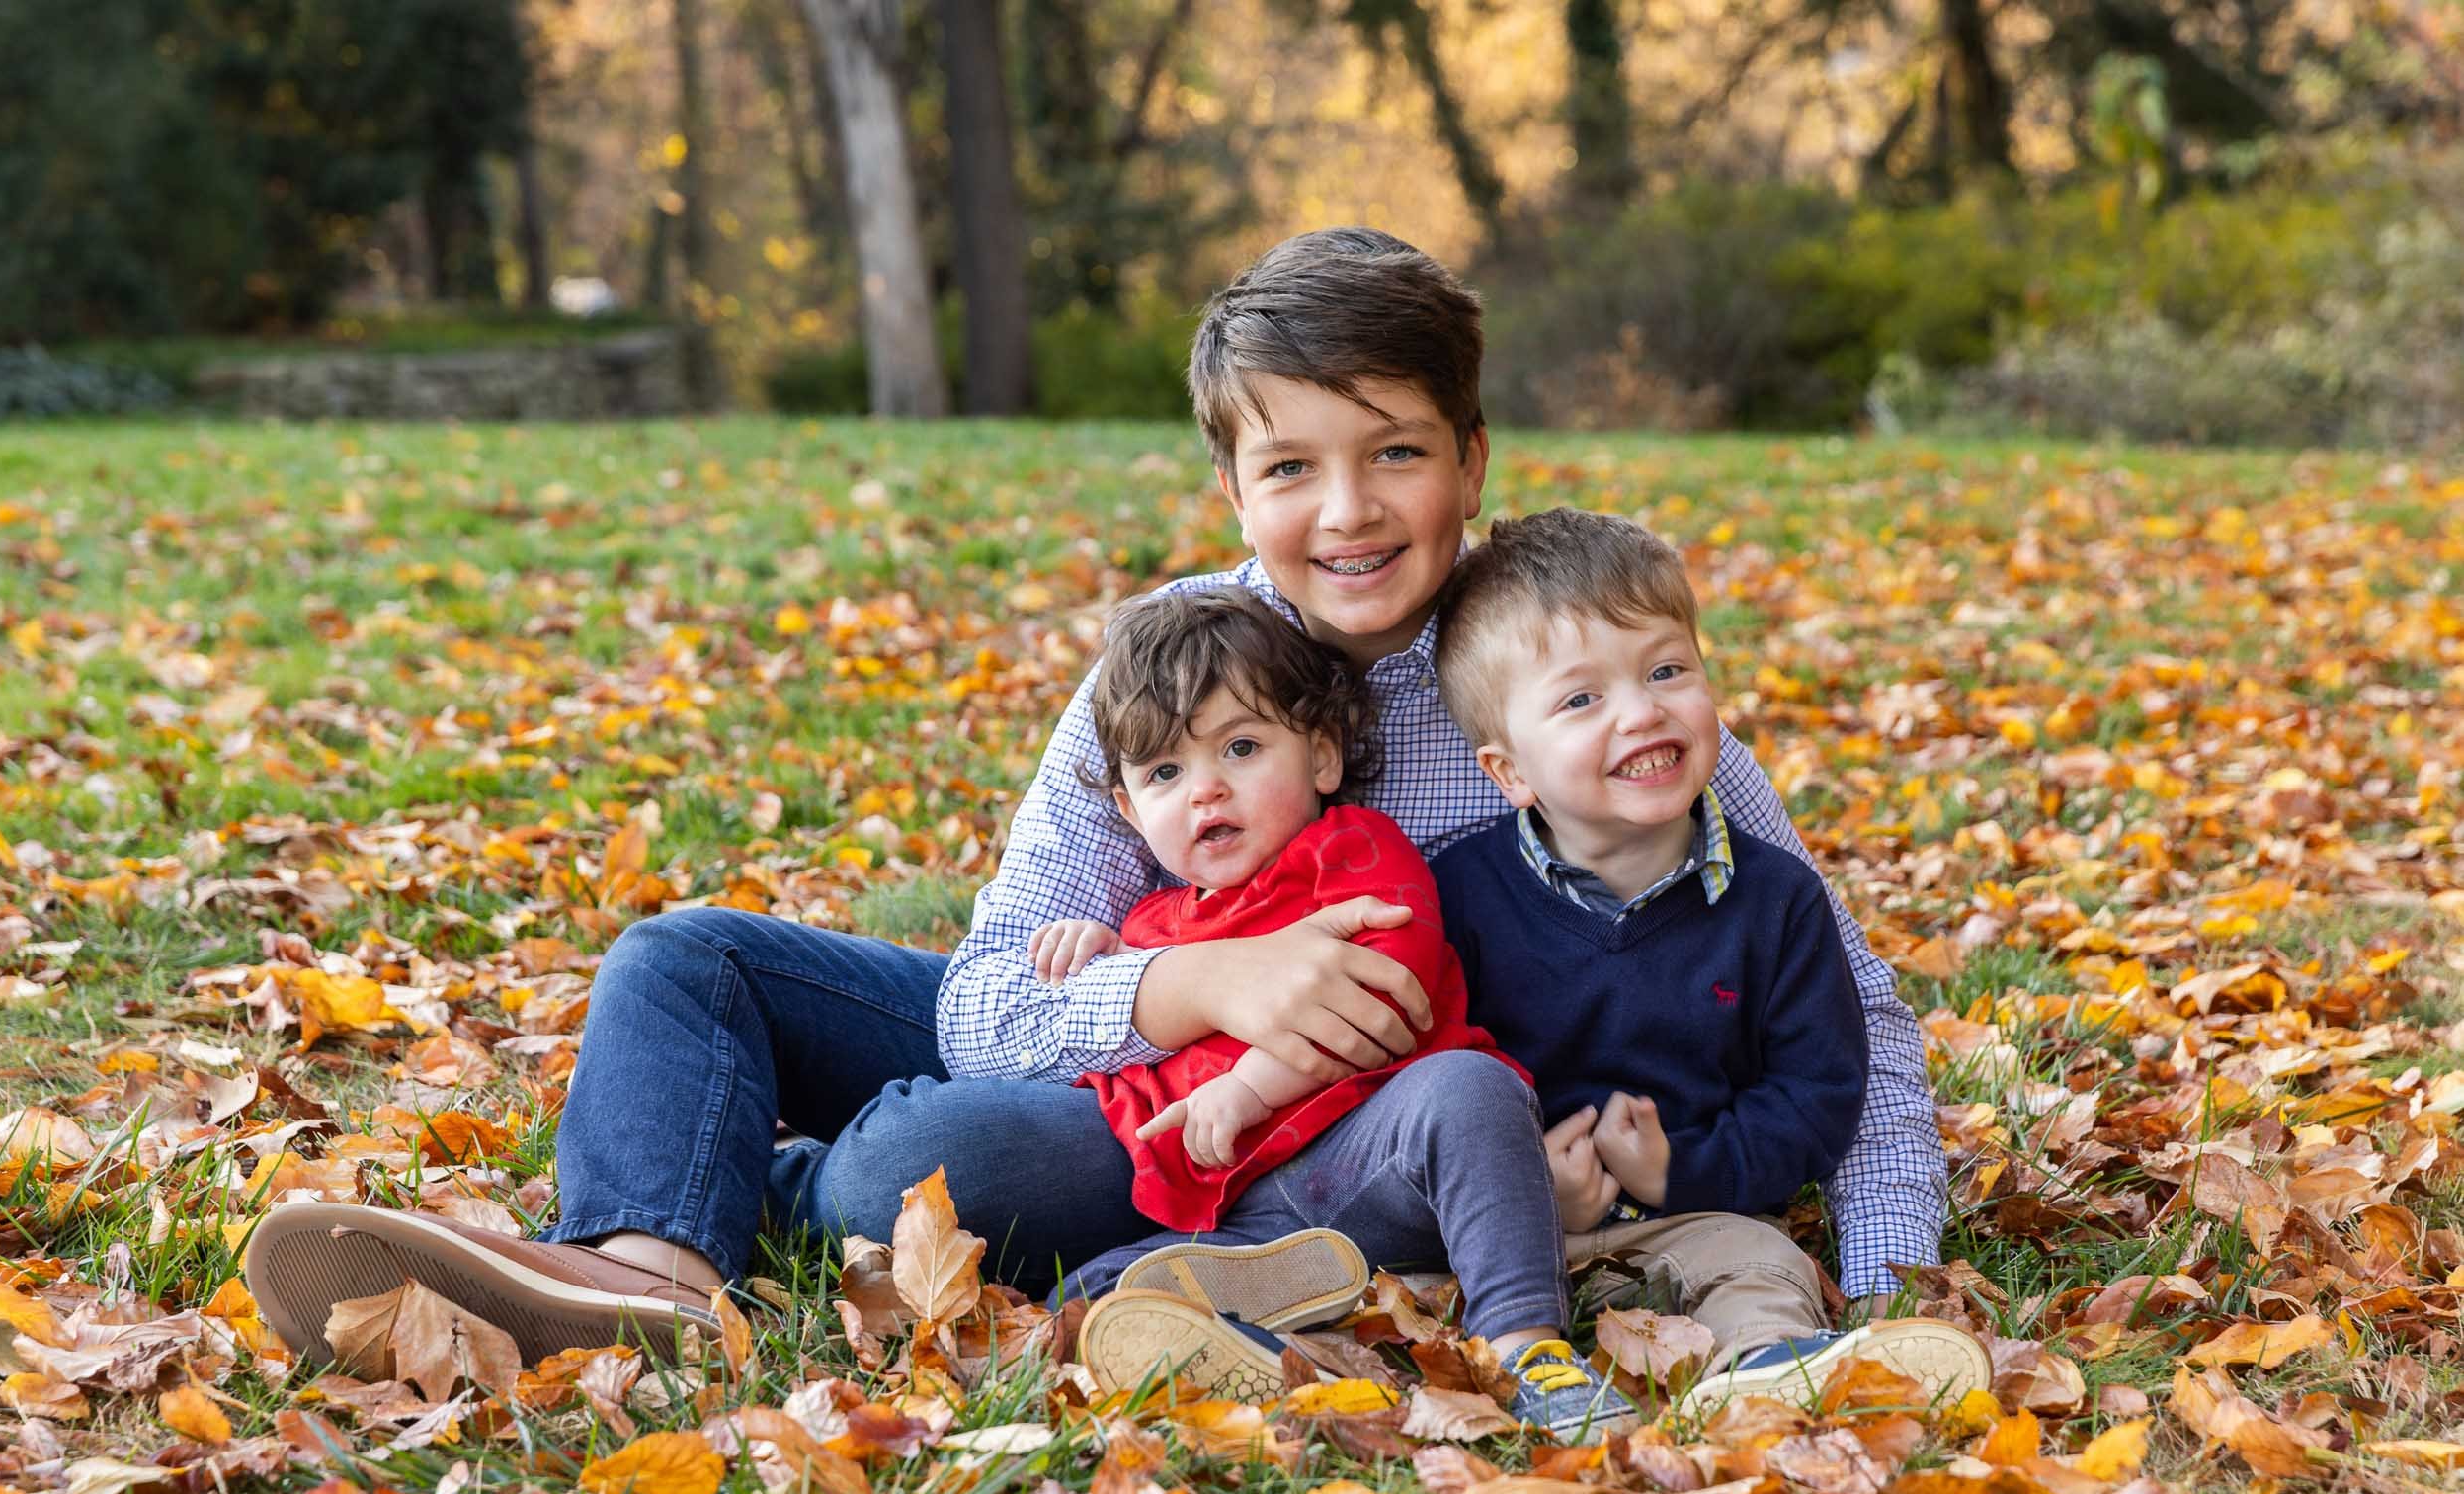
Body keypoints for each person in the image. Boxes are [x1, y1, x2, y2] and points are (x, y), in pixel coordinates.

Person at [240, 226, 1947, 1384]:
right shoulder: (1174, 661)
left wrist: (1889, 1277)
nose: (1346, 512)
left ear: (1475, 458)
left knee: (927, 1162)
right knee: (685, 962)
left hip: (1321, 1136)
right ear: (1233, 485)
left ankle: (786, 1191)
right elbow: (990, 996)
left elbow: (1836, 990)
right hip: (1132, 1032)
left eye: (1397, 453)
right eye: (1290, 468)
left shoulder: (1568, 680)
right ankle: (645, 1275)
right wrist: (1200, 983)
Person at [1028, 584, 1630, 1434]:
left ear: (1320, 757)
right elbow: (1122, 1073)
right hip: (1252, 1215)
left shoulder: (1351, 854)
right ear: (1129, 811)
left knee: (1471, 1091)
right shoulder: (1154, 928)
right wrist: (1102, 956)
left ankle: (1527, 1342)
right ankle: (1274, 1341)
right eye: (1166, 772)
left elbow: (1381, 993)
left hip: (1379, 1155)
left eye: (1240, 748)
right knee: (1089, 1297)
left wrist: (1246, 1090)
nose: (1205, 792)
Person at [1427, 507, 1991, 1407]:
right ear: (1510, 772)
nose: (1642, 710)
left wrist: (1675, 1171)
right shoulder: (1461, 899)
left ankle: (1764, 1377)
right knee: (1412, 1284)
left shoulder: (1774, 901)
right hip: (1505, 1232)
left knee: (1765, 1266)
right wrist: (1532, 1185)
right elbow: (1423, 1082)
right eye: (1582, 698)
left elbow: (1817, 1094)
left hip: (1698, 1215)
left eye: (1666, 669)